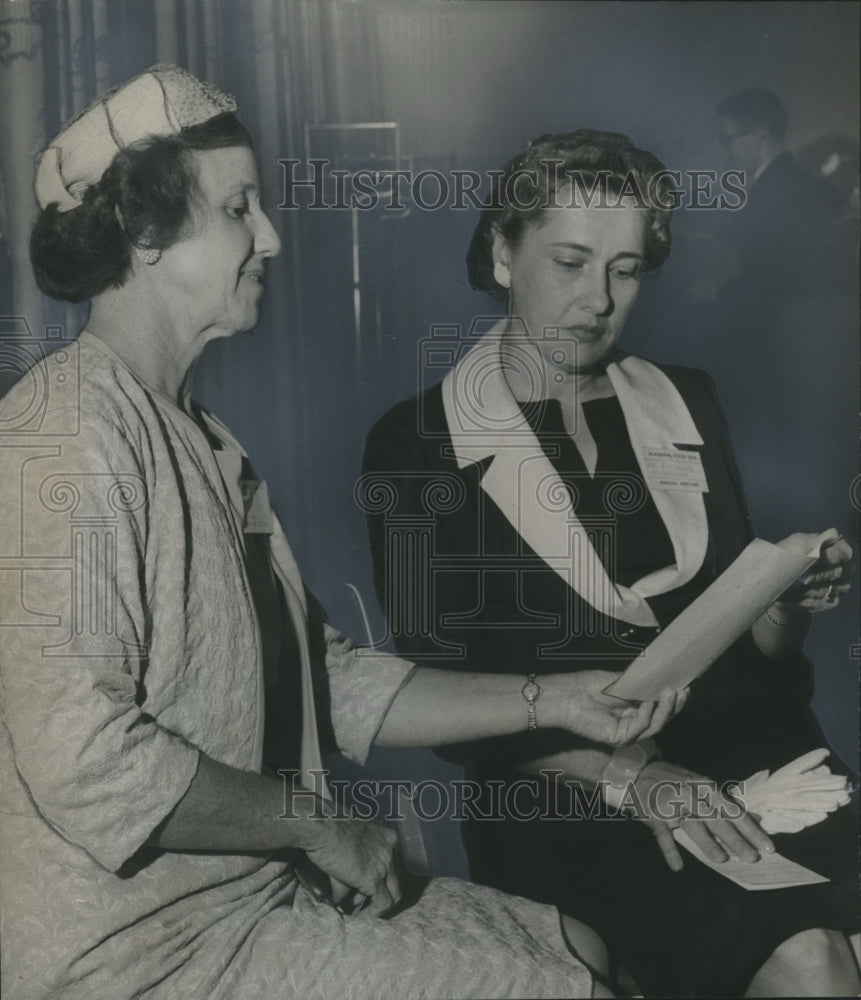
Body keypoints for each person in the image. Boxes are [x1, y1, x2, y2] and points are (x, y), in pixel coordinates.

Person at [0, 69, 686, 1000]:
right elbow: (86, 760)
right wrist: (313, 821)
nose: (271, 237)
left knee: (583, 947)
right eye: (241, 208)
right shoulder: (64, 434)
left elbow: (326, 682)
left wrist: (557, 697)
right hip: (136, 950)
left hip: (249, 898)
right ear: (147, 232)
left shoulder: (200, 439)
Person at [363, 130, 859, 998]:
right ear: (500, 252)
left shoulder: (685, 399)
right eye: (569, 260)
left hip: (755, 760)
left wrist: (785, 602)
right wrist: (633, 777)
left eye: (624, 270)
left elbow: (756, 665)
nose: (596, 300)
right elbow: (443, 706)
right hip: (566, 797)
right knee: (810, 960)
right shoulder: (415, 444)